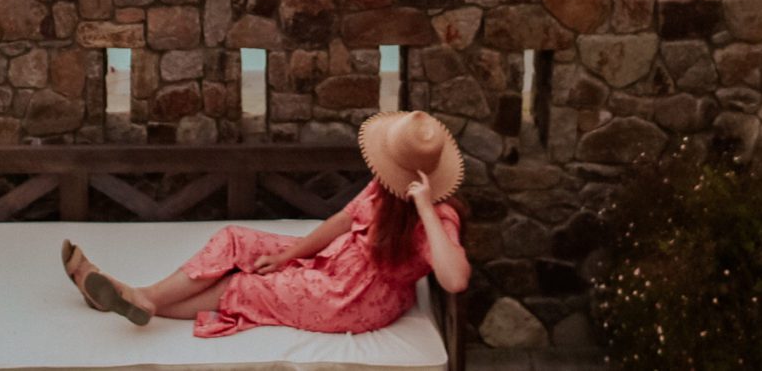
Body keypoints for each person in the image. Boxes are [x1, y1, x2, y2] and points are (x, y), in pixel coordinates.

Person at [60, 110, 472, 333]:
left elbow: (454, 279)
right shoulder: (382, 187)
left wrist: (423, 208)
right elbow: (339, 222)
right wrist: (290, 253)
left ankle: (137, 299)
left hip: (347, 300)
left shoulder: (436, 219)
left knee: (242, 285)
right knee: (235, 240)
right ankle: (143, 297)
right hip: (330, 262)